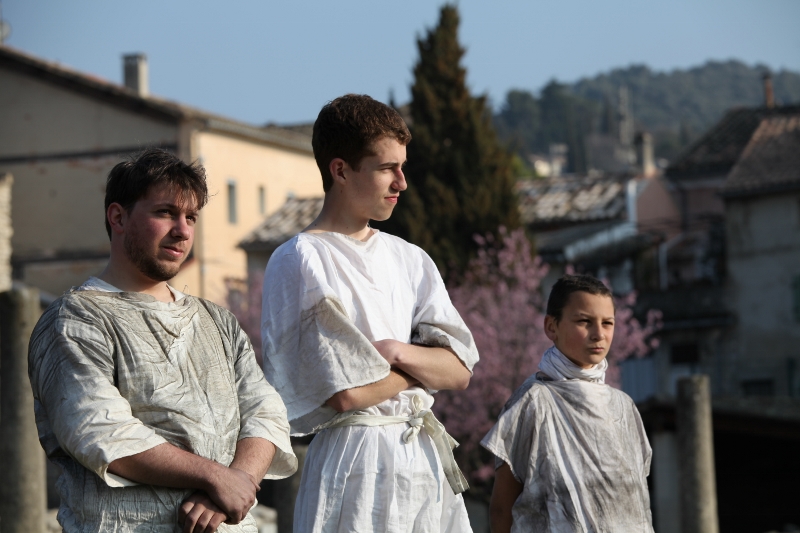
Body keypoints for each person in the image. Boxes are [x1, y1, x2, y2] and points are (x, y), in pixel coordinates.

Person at [28, 149, 297, 533]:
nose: (183, 230)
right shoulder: (76, 319)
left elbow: (265, 412)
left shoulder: (218, 321)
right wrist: (215, 478)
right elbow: (101, 430)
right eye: (166, 212)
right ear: (118, 217)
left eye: (191, 217)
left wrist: (235, 481)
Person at [261, 94, 479, 533]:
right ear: (340, 170)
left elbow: (460, 370)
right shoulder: (301, 259)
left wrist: (396, 352)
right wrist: (423, 370)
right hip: (355, 464)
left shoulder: (411, 258)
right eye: (386, 168)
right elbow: (346, 394)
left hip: (424, 463)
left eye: (403, 167)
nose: (402, 182)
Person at [481, 274, 654, 533]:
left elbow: (637, 498)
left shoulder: (624, 407)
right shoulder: (532, 402)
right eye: (584, 321)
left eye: (607, 323)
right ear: (552, 327)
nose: (599, 334)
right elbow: (501, 509)